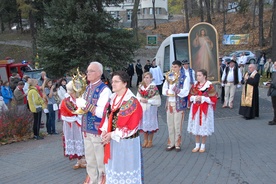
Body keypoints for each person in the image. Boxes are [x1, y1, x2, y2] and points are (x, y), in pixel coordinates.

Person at [100, 70, 143, 183]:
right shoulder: (112, 98)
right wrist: (104, 131)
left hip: (126, 143)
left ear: (124, 83)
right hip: (113, 142)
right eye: (112, 81)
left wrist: (112, 134)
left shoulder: (132, 101)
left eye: (116, 81)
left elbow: (132, 127)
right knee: (114, 169)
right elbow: (107, 117)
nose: (113, 84)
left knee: (125, 169)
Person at [76, 61, 112, 184]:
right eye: (88, 71)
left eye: (91, 71)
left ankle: (103, 180)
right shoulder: (87, 88)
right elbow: (83, 107)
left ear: (99, 73)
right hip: (86, 129)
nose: (88, 73)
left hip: (98, 130)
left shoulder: (104, 90)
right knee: (90, 160)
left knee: (100, 160)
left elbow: (101, 112)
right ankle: (92, 180)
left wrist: (85, 105)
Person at [162, 60, 190, 152]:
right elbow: (164, 89)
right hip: (170, 102)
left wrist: (177, 91)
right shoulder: (169, 77)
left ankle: (177, 143)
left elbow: (186, 91)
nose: (173, 68)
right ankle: (171, 143)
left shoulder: (184, 78)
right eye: (172, 67)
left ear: (180, 67)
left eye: (175, 67)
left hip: (179, 103)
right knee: (170, 124)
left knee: (177, 124)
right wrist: (169, 92)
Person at [187, 69, 217, 153]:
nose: (198, 77)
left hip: (205, 109)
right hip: (196, 108)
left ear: (204, 76)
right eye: (197, 75)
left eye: (200, 75)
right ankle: (197, 145)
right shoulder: (195, 86)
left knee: (204, 126)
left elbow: (213, 99)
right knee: (196, 126)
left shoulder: (209, 86)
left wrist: (203, 98)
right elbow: (190, 96)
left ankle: (203, 145)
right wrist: (194, 98)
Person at [60, 81, 86, 169]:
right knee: (75, 140)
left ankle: (84, 159)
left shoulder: (80, 98)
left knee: (82, 140)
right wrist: (76, 116)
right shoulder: (66, 100)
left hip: (80, 123)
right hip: (71, 124)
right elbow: (65, 111)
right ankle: (79, 160)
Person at [137, 72, 161, 148]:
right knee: (144, 124)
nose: (146, 79)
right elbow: (137, 96)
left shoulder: (153, 87)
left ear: (151, 78)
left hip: (151, 108)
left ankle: (150, 140)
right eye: (144, 77)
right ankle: (145, 140)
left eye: (147, 77)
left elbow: (157, 99)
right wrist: (141, 99)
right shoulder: (141, 86)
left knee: (150, 123)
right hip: (143, 107)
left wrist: (148, 101)